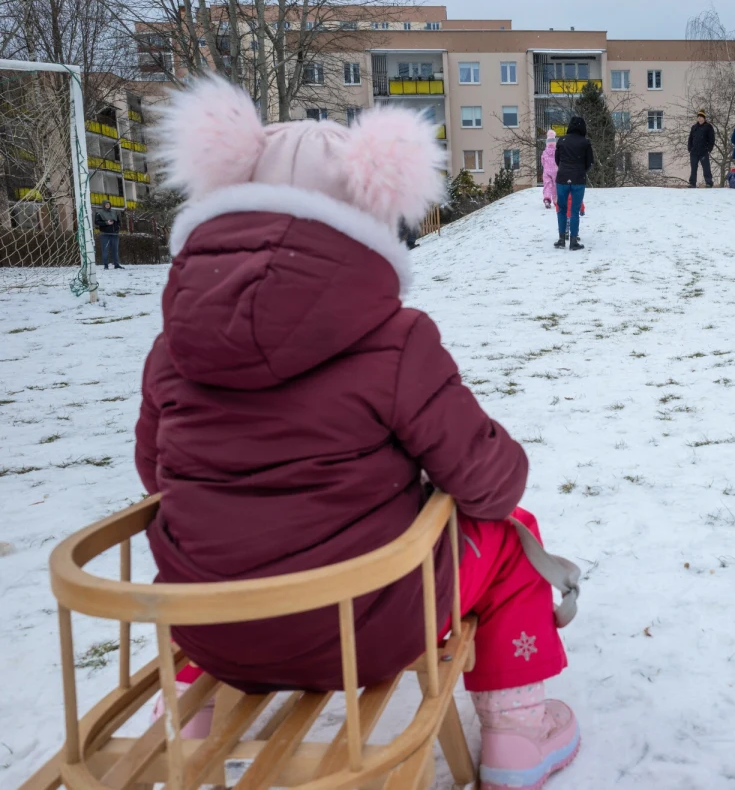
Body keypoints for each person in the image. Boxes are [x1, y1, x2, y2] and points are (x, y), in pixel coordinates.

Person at [136, 77, 580, 789]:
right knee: (511, 538)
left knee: (213, 543)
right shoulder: (395, 340)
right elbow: (488, 485)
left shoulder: (172, 348)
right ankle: (518, 738)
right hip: (366, 626)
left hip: (208, 625)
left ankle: (186, 716)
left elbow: (154, 474)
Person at [553, 116, 592, 251]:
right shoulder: (585, 142)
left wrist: (564, 168)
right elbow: (589, 162)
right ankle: (573, 241)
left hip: (562, 178)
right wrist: (581, 170)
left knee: (562, 209)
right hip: (578, 179)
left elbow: (557, 160)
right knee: (575, 210)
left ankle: (561, 239)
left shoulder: (561, 140)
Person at [687, 109, 715, 188]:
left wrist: (709, 149)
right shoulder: (694, 127)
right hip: (694, 151)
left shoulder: (708, 127)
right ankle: (692, 183)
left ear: (704, 118)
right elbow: (690, 138)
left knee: (706, 168)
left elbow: (712, 139)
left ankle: (709, 182)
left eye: (701, 116)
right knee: (693, 168)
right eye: (698, 116)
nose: (699, 118)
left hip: (704, 151)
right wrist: (690, 148)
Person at [94, 200, 123, 269]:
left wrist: (118, 228)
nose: (107, 205)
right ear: (103, 205)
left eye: (108, 204)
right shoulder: (99, 212)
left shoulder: (114, 212)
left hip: (114, 234)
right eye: (106, 204)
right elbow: (97, 222)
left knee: (115, 250)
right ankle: (106, 265)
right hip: (105, 234)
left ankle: (116, 264)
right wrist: (106, 223)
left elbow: (118, 221)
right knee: (105, 250)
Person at [541, 130, 557, 209]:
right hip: (556, 171)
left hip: (546, 172)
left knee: (547, 185)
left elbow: (542, 162)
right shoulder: (557, 151)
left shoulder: (544, 152)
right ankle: (556, 201)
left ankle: (547, 199)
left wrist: (546, 167)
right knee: (555, 186)